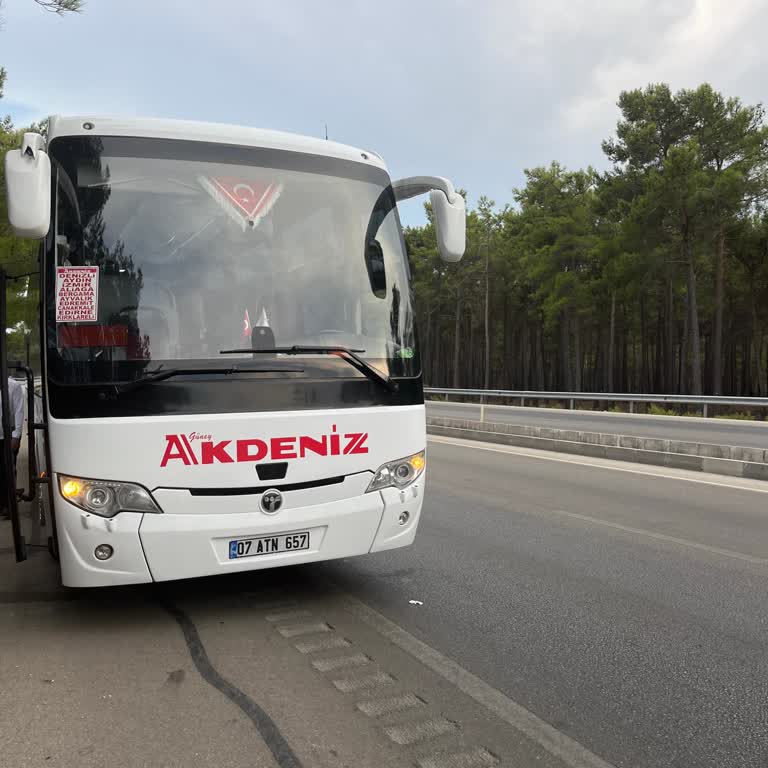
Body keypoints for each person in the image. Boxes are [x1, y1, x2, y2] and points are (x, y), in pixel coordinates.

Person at [0, 376, 24, 520]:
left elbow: (19, 411)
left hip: (8, 436)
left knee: (7, 470)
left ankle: (9, 506)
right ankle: (3, 502)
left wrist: (16, 436)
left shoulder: (13, 386)